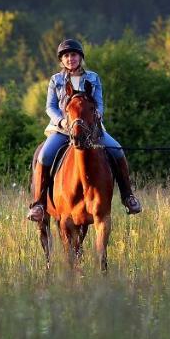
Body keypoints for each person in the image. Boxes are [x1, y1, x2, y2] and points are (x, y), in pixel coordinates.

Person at [27, 38, 142, 221]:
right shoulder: (55, 80)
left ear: (80, 57)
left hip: (92, 131)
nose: (70, 58)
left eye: (73, 55)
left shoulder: (93, 78)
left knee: (117, 150)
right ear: (61, 60)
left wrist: (94, 121)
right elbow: (50, 107)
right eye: (66, 56)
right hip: (63, 130)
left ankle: (128, 196)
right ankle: (39, 204)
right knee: (44, 156)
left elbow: (100, 104)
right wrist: (62, 122)